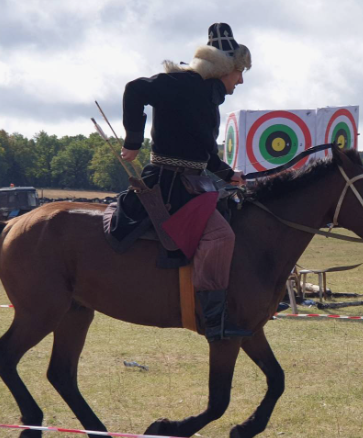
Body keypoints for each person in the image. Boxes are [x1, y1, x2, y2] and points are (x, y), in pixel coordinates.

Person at [108, 23, 252, 342]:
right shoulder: (184, 83)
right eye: (239, 72)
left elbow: (201, 148)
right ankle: (213, 321)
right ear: (224, 68)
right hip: (169, 185)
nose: (240, 80)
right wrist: (133, 140)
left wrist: (229, 175)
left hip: (192, 183)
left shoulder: (204, 94)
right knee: (221, 236)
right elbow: (135, 89)